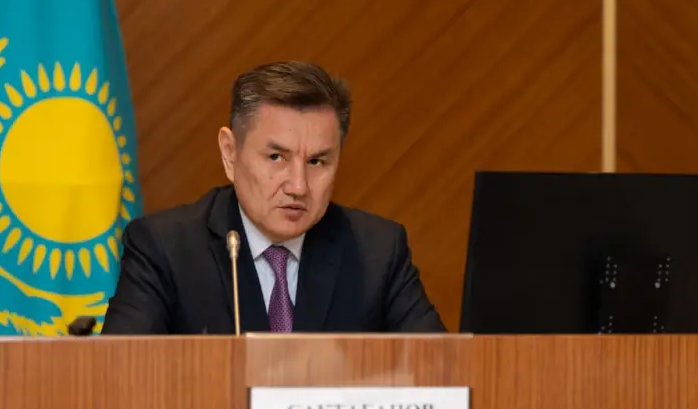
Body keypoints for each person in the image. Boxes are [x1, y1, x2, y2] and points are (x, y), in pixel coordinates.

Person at [101, 61, 445, 335]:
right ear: (230, 153)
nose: (298, 186)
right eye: (276, 157)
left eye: (317, 162)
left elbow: (442, 376)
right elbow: (120, 378)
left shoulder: (377, 252)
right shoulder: (165, 249)